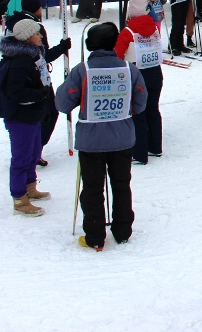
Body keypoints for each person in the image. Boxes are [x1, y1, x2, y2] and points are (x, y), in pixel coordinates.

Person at [55, 22, 147, 249]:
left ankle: (95, 236)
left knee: (93, 188)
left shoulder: (82, 70)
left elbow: (63, 102)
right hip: (122, 138)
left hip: (92, 141)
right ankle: (123, 230)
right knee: (122, 184)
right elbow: (141, 101)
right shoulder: (129, 69)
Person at [0, 18, 59, 217]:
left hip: (32, 114)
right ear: (27, 38)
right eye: (37, 33)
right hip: (20, 117)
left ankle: (30, 187)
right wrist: (40, 94)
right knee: (22, 157)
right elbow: (16, 92)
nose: (41, 36)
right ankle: (19, 198)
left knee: (33, 153)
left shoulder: (32, 56)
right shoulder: (20, 61)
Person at [4, 0, 72, 166]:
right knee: (49, 112)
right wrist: (62, 47)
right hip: (36, 78)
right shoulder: (34, 27)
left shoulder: (12, 24)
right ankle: (35, 150)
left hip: (17, 74)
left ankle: (31, 150)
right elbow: (43, 55)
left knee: (29, 115)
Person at [115, 0, 164, 166]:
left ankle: (140, 152)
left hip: (136, 75)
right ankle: (156, 146)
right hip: (155, 73)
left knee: (138, 113)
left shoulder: (127, 32)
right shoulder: (154, 28)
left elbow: (117, 54)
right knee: (153, 109)